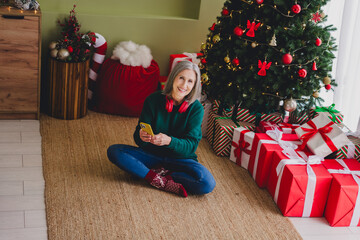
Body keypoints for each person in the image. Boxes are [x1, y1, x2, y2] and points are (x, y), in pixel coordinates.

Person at [107, 60, 216, 197]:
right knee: (115, 151)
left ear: (194, 85)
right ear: (173, 78)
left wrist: (169, 141)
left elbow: (191, 146)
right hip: (151, 155)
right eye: (181, 78)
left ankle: (154, 174)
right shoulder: (153, 100)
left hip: (180, 159)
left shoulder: (196, 109)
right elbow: (138, 139)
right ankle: (160, 180)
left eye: (190, 81)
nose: (184, 85)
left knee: (207, 183)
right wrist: (141, 136)